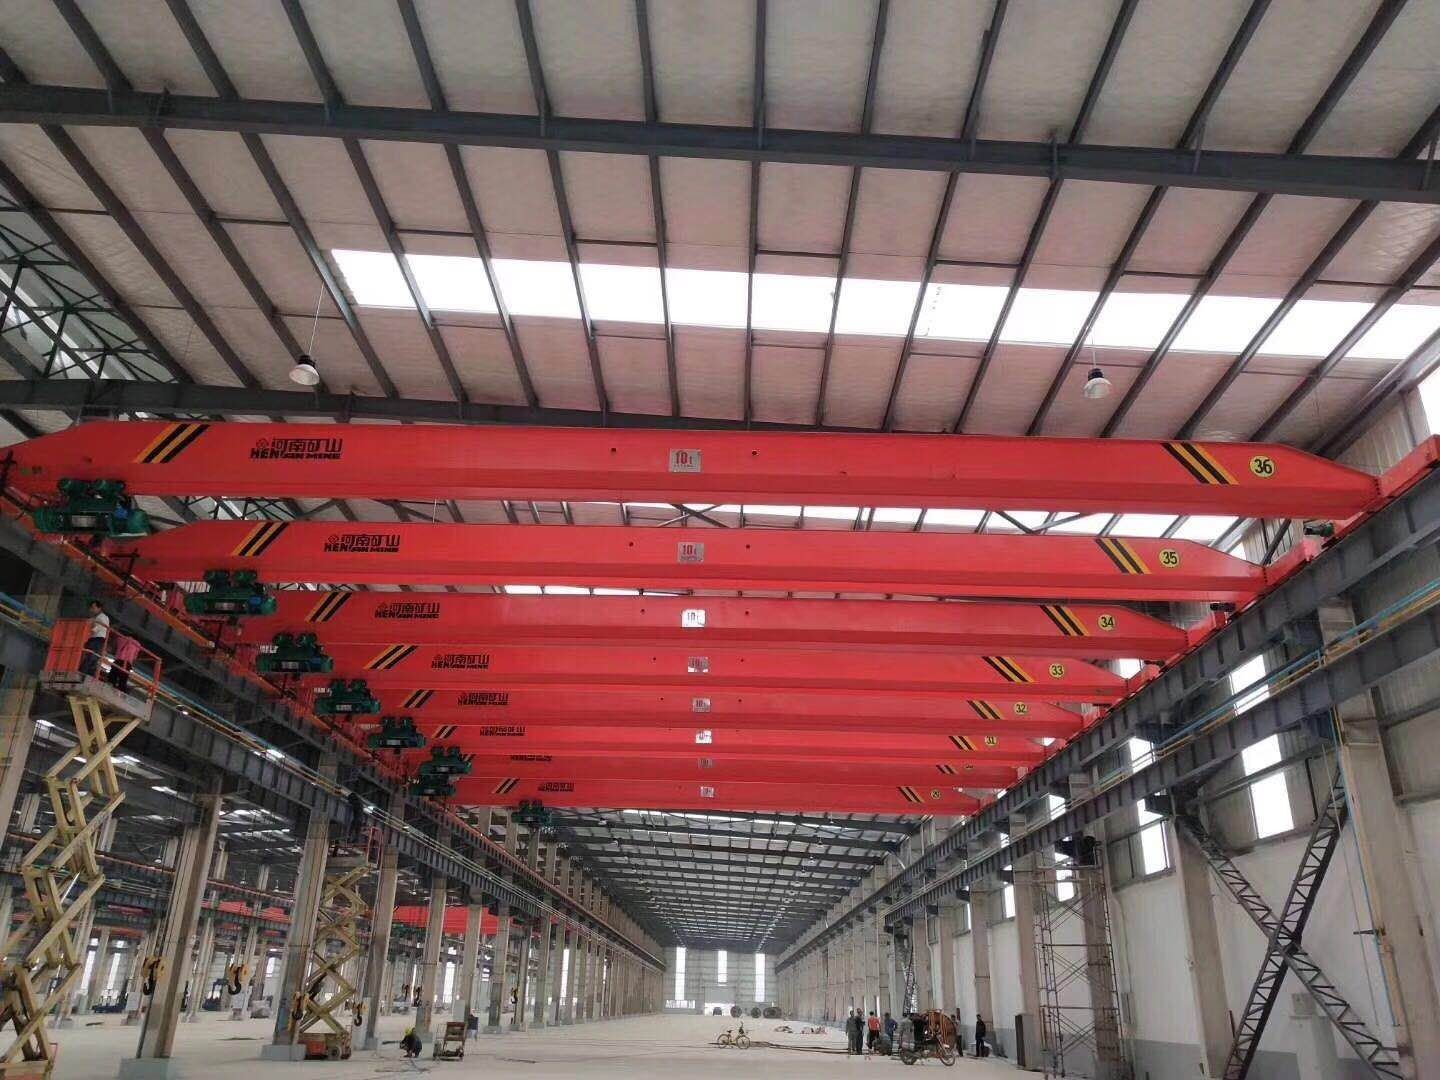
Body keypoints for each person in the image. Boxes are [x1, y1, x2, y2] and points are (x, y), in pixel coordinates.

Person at [80, 600, 109, 677]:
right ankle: (88, 673)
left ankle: (83, 672)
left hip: (97, 639)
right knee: (92, 657)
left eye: (93, 608)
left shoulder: (102, 617)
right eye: (91, 608)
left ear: (99, 608)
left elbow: (100, 626)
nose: (91, 610)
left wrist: (90, 631)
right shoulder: (99, 617)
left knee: (91, 656)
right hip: (97, 639)